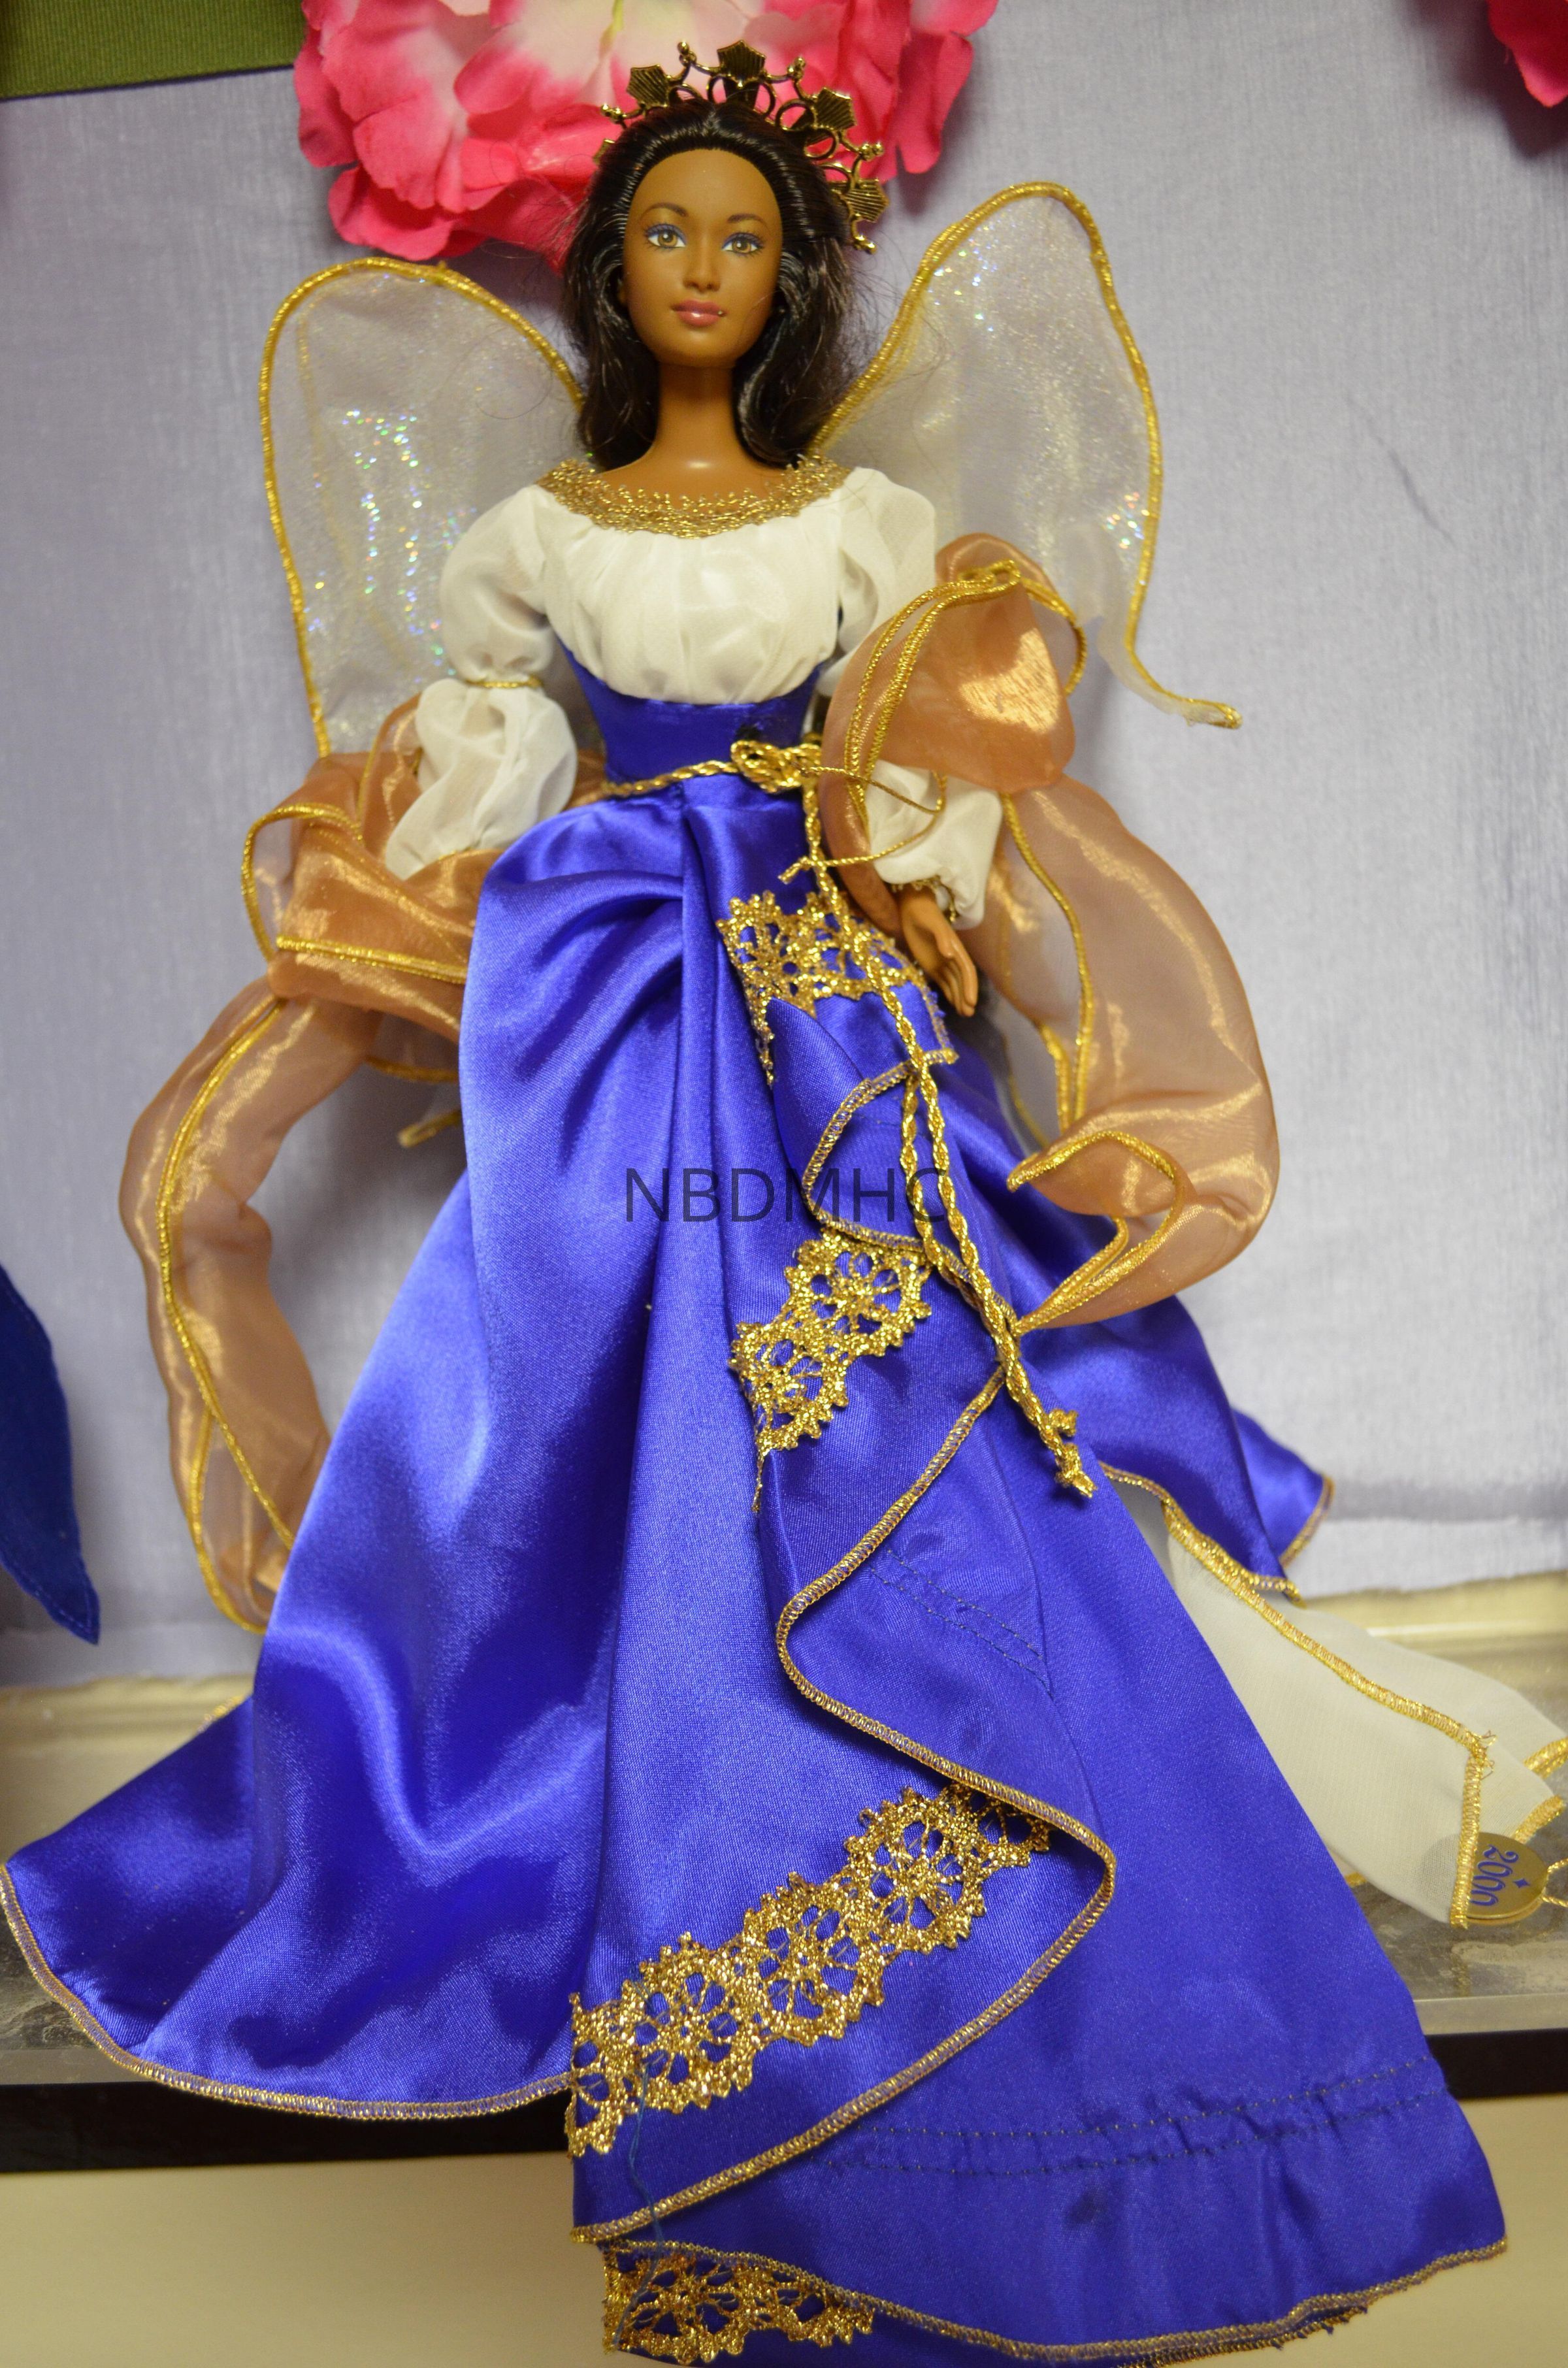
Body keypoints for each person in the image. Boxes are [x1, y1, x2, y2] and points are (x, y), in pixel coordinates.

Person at [7, 50, 1557, 2365]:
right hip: (608, 994)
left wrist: (915, 860)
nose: (705, 269)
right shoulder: (539, 538)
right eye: (668, 233)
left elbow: (921, 733)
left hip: (820, 996)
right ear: (615, 268)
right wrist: (462, 841)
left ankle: (984, 1873)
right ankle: (625, 1775)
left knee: (912, 1388)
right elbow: (497, 738)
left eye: (742, 237)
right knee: (581, 1382)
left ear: (787, 278)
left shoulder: (857, 526)